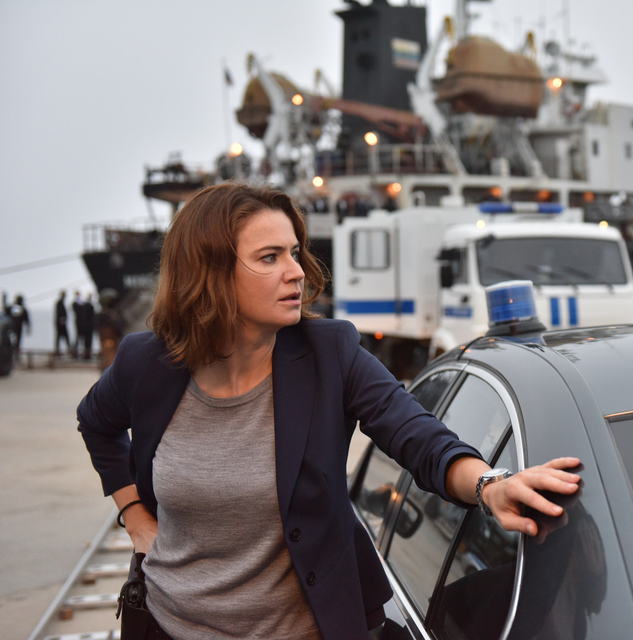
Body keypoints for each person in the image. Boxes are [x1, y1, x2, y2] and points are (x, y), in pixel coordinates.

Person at [76, 183, 581, 640]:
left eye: (294, 253)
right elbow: (95, 422)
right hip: (168, 625)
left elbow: (416, 433)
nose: (296, 271)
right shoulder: (147, 363)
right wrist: (134, 514)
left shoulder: (329, 354)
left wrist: (488, 484)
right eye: (270, 257)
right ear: (210, 272)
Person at [75, 293, 96, 360]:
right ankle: (87, 355)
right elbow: (92, 317)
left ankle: (85, 354)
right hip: (88, 327)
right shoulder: (89, 306)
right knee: (88, 341)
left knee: (85, 341)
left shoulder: (84, 306)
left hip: (84, 326)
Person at [54, 290, 70, 356]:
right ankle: (58, 351)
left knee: (61, 337)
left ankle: (60, 350)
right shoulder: (59, 303)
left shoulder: (61, 303)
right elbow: (60, 313)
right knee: (62, 337)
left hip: (61, 323)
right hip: (60, 324)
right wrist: (62, 321)